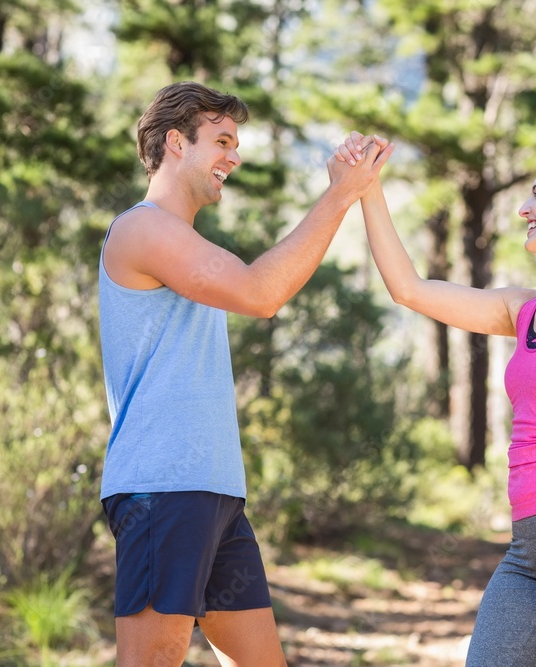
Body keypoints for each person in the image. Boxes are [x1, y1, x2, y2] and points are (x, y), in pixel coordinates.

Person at [334, 132, 536, 666]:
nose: (523, 208)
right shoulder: (524, 310)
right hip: (526, 546)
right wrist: (368, 189)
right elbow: (409, 289)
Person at [97, 83, 393, 667]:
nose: (234, 156)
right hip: (163, 487)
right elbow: (260, 293)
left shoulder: (183, 240)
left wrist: (345, 190)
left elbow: (262, 287)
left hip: (213, 492)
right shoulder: (143, 230)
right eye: (222, 141)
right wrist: (339, 195)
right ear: (176, 143)